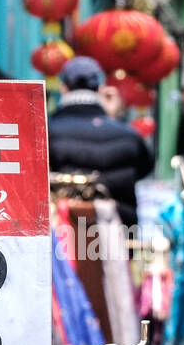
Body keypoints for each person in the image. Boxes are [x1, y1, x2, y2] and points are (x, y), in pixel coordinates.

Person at [47, 56, 152, 226]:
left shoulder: (47, 132)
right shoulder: (128, 135)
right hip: (119, 234)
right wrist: (112, 117)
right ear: (100, 88)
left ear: (64, 88)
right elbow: (144, 168)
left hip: (65, 238)